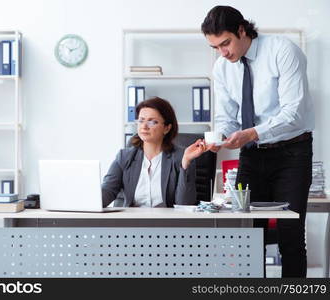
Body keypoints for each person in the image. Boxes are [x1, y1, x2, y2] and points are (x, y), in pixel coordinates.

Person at [201, 6, 314, 277]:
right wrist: (222, 137)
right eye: (215, 47)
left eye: (225, 43)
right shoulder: (222, 67)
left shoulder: (282, 51)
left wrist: (251, 133)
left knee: (291, 235)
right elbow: (227, 115)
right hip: (252, 155)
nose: (223, 52)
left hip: (292, 153)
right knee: (248, 236)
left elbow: (294, 114)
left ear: (242, 30)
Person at [102, 97, 212, 208]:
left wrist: (186, 163)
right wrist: (88, 198)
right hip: (133, 222)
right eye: (141, 120)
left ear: (167, 128)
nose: (144, 126)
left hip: (167, 223)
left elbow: (184, 205)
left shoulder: (181, 157)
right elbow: (107, 191)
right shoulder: (124, 157)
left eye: (152, 122)